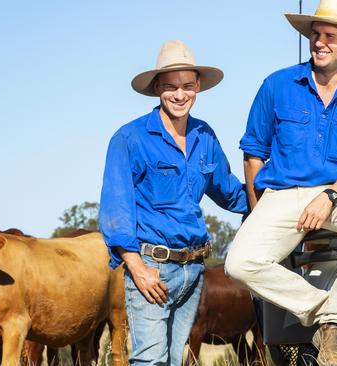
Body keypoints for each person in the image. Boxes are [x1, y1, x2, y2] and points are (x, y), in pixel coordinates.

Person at [224, 0, 337, 365]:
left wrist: (330, 196)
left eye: (330, 36)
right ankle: (331, 316)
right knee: (238, 263)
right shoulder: (277, 84)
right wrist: (257, 209)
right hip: (282, 194)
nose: (319, 42)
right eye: (315, 35)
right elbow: (253, 152)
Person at [99, 40, 248, 366]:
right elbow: (115, 212)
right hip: (154, 269)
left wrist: (276, 200)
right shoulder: (130, 139)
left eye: (186, 86)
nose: (179, 95)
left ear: (197, 87)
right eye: (170, 87)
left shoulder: (204, 136)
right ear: (157, 89)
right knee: (150, 361)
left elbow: (230, 192)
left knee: (171, 362)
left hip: (194, 272)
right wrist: (137, 269)